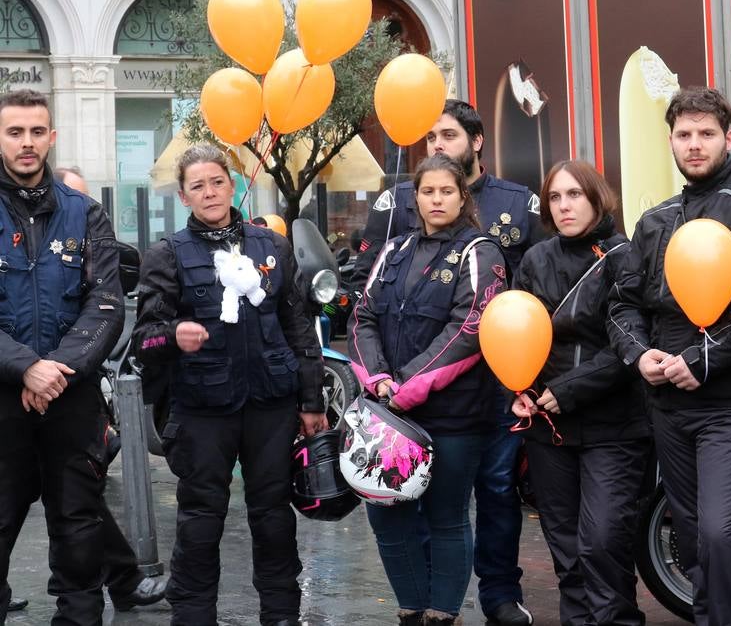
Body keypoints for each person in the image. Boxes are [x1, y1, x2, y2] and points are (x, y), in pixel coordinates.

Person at [606, 86, 731, 626]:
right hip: (669, 405)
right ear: (670, 140)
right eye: (684, 135)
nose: (694, 145)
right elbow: (624, 304)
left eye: (706, 134)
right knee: (693, 540)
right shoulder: (655, 221)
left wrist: (703, 358)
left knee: (722, 534)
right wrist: (638, 353)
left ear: (729, 137)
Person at [354, 98, 539, 626]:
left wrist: (410, 383)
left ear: (463, 197)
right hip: (390, 414)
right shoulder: (394, 251)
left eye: (446, 191)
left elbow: (471, 327)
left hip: (456, 413)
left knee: (448, 516)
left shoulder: (481, 251)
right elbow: (362, 315)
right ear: (415, 200)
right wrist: (379, 379)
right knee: (388, 516)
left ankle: (442, 614)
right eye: (427, 191)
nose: (436, 200)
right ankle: (411, 610)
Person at [132, 144, 326, 626]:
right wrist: (173, 336)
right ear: (183, 197)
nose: (210, 192)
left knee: (274, 517)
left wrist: (311, 398)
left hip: (271, 405)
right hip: (202, 409)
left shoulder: (272, 247)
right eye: (197, 186)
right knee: (200, 520)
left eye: (217, 181)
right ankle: (194, 616)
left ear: (232, 184)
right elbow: (143, 340)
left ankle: (280, 614)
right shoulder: (166, 255)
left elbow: (298, 326)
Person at [0, 89, 125, 624]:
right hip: (3, 403)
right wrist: (23, 365)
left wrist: (53, 371)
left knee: (79, 534)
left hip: (71, 403)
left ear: (52, 137)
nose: (26, 143)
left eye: (36, 132)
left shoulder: (87, 215)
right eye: (14, 132)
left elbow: (107, 304)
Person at [511, 160, 650, 626]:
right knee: (565, 547)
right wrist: (524, 389)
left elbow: (627, 346)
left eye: (574, 194)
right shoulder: (535, 260)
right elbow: (514, 335)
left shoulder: (624, 257)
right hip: (549, 427)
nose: (565, 205)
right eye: (555, 197)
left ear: (596, 197)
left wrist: (565, 389)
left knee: (604, 541)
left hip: (614, 424)